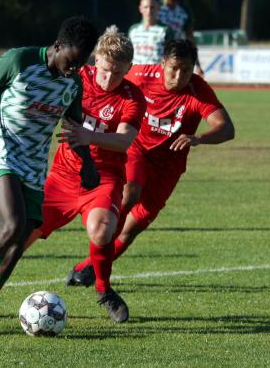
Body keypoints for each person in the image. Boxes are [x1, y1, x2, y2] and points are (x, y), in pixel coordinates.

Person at [0, 26, 146, 323]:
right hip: (62, 176)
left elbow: (124, 141)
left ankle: (104, 290)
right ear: (96, 61)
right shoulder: (76, 78)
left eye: (118, 73)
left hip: (104, 177)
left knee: (102, 228)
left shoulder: (132, 97)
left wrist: (86, 135)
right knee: (17, 238)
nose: (109, 78)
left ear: (128, 69)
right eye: (105, 70)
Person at [0, 16, 100, 333]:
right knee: (13, 225)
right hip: (1, 155)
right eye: (70, 61)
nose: (73, 70)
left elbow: (72, 125)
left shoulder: (74, 83)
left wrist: (88, 163)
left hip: (33, 167)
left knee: (19, 240)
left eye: (80, 64)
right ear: (57, 47)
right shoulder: (20, 60)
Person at [65, 39, 235, 287]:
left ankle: (89, 265)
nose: (178, 76)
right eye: (173, 68)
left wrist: (198, 138)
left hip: (168, 167)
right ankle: (99, 259)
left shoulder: (198, 91)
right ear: (163, 63)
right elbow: (113, 80)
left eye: (186, 70)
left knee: (132, 229)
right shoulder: (141, 75)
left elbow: (226, 128)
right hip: (137, 150)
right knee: (130, 193)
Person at [158, 0, 204, 77]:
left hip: (174, 54)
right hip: (156, 53)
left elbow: (190, 37)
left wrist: (197, 64)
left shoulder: (185, 10)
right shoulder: (155, 7)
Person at [128, 0, 174, 65]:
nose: (149, 11)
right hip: (135, 73)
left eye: (152, 7)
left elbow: (171, 56)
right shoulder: (133, 29)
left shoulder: (165, 30)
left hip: (156, 74)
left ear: (158, 8)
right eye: (146, 7)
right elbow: (128, 54)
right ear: (140, 9)